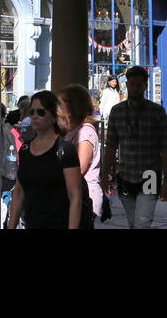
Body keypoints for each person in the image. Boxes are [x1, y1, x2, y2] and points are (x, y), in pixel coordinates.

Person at [101, 64, 167, 228]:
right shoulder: (117, 112)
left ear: (145, 86)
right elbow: (111, 147)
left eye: (138, 85)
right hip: (125, 175)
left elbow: (166, 148)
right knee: (133, 221)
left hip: (150, 175)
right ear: (126, 85)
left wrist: (166, 182)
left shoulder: (157, 112)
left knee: (142, 221)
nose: (134, 88)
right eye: (131, 84)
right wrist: (104, 177)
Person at [5, 90, 82, 229]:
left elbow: (75, 196)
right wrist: (11, 226)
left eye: (41, 112)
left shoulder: (65, 150)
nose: (34, 116)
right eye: (32, 112)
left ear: (53, 117)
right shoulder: (25, 149)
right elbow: (19, 191)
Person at [58, 83, 101, 228]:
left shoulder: (84, 131)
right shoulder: (71, 130)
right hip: (71, 195)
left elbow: (79, 168)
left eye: (60, 102)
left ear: (72, 105)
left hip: (84, 197)